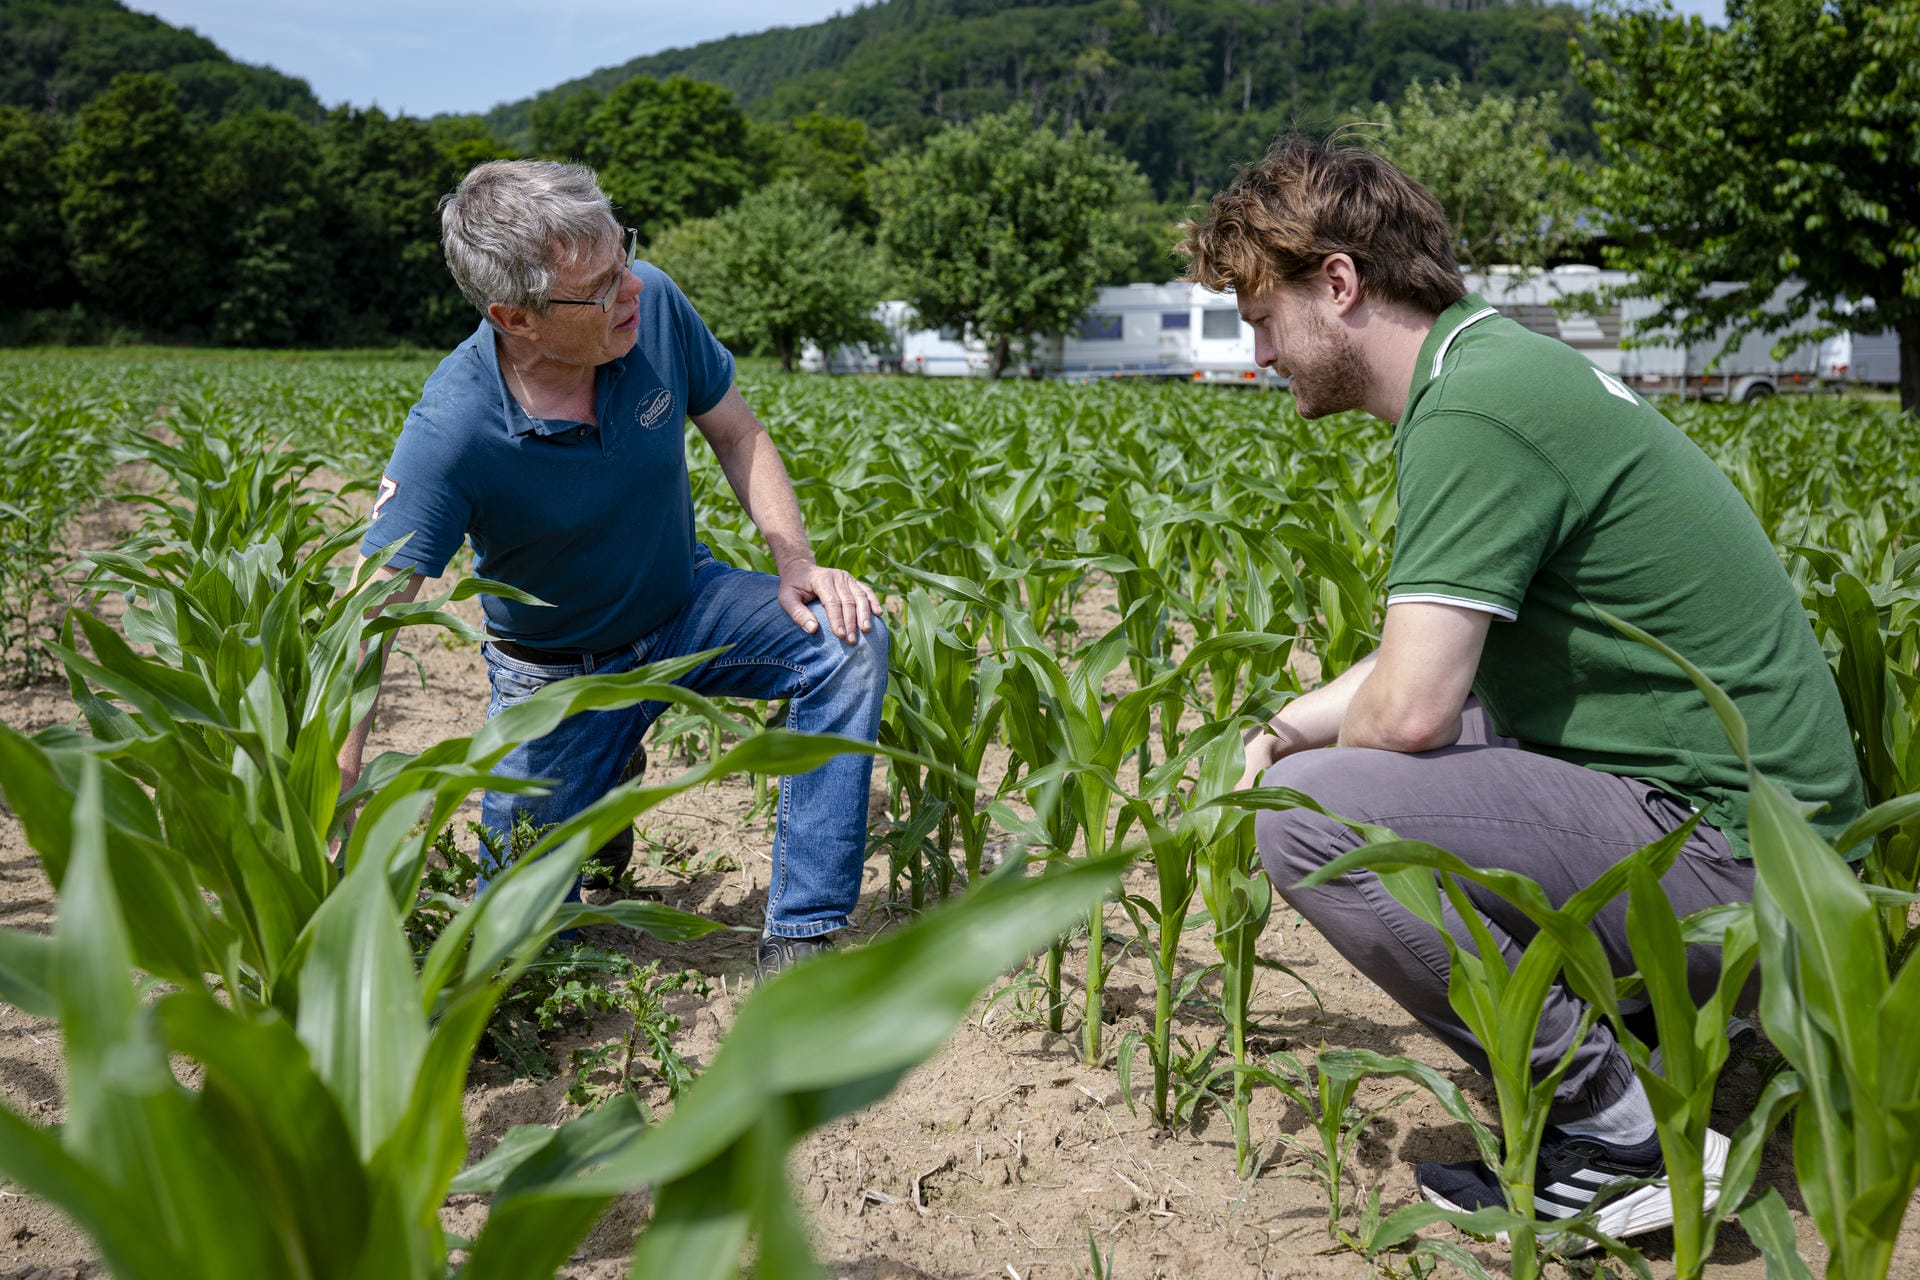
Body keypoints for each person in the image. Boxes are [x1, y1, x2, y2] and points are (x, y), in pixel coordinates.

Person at [1178, 136, 1863, 1241]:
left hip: (1745, 873)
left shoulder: (1475, 411)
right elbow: (1435, 654)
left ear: (1338, 283)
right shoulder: (1498, 368)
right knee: (1390, 749)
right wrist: (1287, 721)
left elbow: (1409, 708)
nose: (1259, 353)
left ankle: (1619, 1132)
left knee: (1308, 816)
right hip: (1780, 852)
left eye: (1263, 317)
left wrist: (1294, 762)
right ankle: (1646, 1040)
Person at [339, 159, 888, 980]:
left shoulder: (650, 303)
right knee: (518, 960)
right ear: (515, 317)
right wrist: (340, 778)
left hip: (685, 605)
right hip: (559, 676)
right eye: (600, 287)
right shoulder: (454, 430)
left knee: (847, 639)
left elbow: (738, 433)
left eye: (622, 255)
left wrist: (796, 562)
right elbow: (370, 611)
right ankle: (602, 767)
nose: (632, 287)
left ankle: (803, 932)